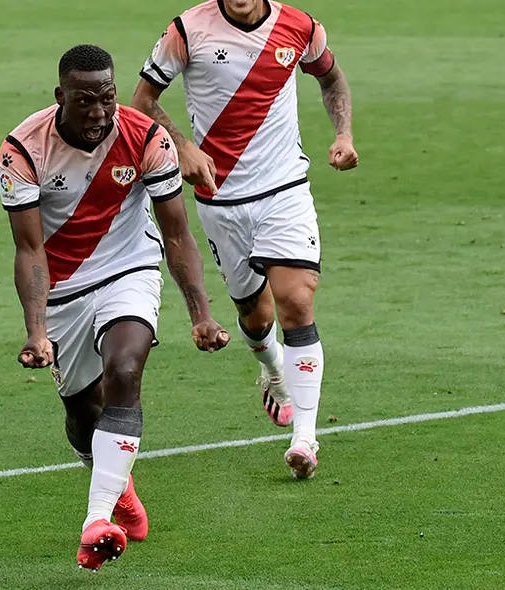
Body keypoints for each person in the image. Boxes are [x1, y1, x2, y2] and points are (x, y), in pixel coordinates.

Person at [0, 44, 230, 570]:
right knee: (83, 414)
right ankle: (116, 486)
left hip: (130, 267)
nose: (100, 111)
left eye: (107, 96)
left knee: (124, 368)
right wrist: (36, 331)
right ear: (61, 97)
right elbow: (29, 250)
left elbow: (177, 234)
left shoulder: (146, 137)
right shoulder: (22, 149)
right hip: (62, 289)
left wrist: (201, 314)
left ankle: (96, 520)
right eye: (85, 101)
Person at [130, 0, 358, 479]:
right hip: (220, 198)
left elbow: (330, 77)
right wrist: (183, 145)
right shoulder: (187, 30)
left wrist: (343, 134)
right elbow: (143, 102)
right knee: (256, 317)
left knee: (296, 299)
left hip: (284, 189)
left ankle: (305, 439)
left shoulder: (300, 27)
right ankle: (272, 369)